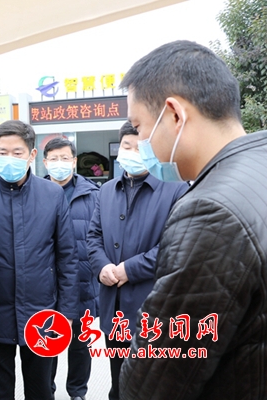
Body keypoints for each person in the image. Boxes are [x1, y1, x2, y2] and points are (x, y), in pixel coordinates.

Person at [119, 40, 267, 399]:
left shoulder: (210, 211)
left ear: (174, 114)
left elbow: (155, 381)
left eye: (138, 127)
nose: (140, 142)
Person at [0, 120, 79, 400]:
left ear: (31, 155)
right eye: (2, 152)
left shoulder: (52, 195)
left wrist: (66, 313)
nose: (9, 158)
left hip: (43, 316)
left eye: (17, 153)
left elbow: (67, 257)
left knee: (41, 389)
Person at [86, 121, 187, 400]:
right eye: (126, 146)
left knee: (152, 385)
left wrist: (129, 269)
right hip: (114, 309)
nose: (132, 153)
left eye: (140, 147)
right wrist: (102, 266)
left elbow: (176, 244)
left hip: (153, 309)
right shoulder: (107, 190)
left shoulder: (176, 189)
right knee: (119, 383)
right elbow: (93, 236)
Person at [44, 138, 99, 400]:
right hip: (47, 284)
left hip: (83, 282)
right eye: (54, 159)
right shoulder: (37, 193)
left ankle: (77, 392)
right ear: (44, 162)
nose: (59, 163)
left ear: (74, 161)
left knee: (81, 344)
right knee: (49, 342)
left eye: (65, 158)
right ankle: (48, 390)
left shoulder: (93, 194)